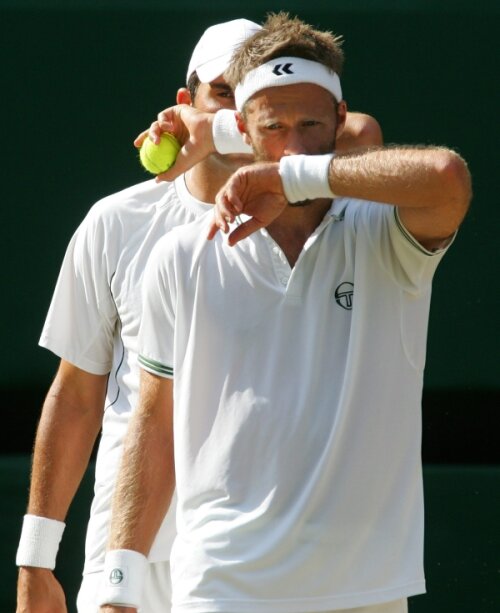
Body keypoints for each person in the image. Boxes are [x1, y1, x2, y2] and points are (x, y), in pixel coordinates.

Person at [99, 12, 471, 613]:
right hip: (218, 589)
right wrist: (120, 582)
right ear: (240, 128)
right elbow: (154, 421)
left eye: (311, 124)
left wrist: (286, 177)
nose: (293, 143)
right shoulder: (178, 257)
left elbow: (446, 177)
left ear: (340, 122)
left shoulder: (386, 235)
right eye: (273, 127)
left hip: (365, 591)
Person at [15, 16, 383, 613]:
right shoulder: (114, 222)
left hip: (261, 559)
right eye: (224, 95)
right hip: (129, 556)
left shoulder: (324, 211)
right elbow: (77, 396)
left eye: (257, 99)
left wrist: (223, 133)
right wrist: (36, 559)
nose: (244, 112)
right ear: (185, 104)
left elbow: (365, 134)